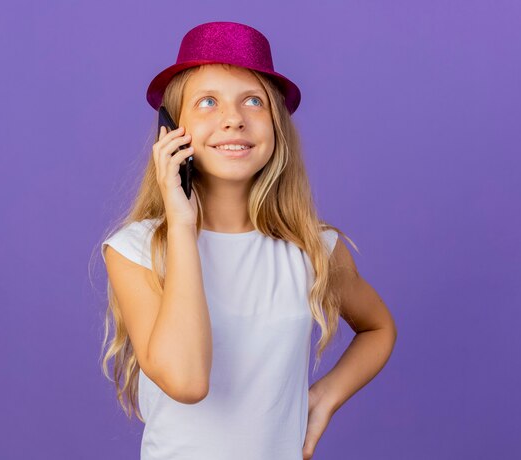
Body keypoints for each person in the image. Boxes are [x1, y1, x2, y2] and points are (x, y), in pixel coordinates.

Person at [99, 21, 397, 460]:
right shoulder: (137, 251)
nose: (233, 118)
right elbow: (187, 382)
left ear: (277, 126)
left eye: (253, 101)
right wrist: (181, 225)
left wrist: (323, 400)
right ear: (171, 131)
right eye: (207, 102)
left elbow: (379, 328)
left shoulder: (314, 249)